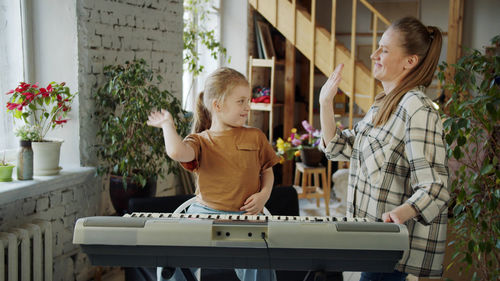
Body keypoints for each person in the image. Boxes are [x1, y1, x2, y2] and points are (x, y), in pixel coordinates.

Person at [319, 17, 450, 280]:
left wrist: (401, 213)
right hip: (371, 242)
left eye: (385, 49)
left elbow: (435, 187)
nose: (374, 54)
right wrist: (325, 104)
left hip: (388, 246)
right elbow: (341, 149)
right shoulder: (382, 105)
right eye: (378, 47)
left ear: (409, 61)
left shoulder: (418, 109)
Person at [147, 67, 280, 281]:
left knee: (259, 255)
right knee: (168, 252)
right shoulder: (200, 141)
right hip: (203, 214)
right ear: (217, 105)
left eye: (248, 101)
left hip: (245, 217)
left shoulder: (255, 137)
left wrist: (263, 195)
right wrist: (167, 126)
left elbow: (267, 171)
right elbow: (176, 152)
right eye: (241, 101)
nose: (248, 107)